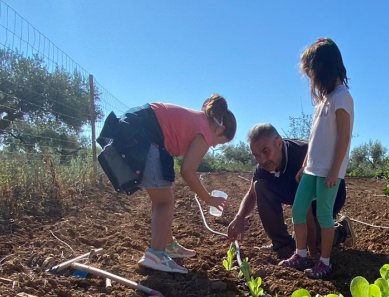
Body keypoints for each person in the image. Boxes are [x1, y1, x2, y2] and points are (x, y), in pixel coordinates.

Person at [97, 95, 235, 274]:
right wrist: (208, 198)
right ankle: (156, 255)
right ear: (220, 129)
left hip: (136, 130)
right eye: (220, 142)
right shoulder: (205, 133)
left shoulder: (198, 120)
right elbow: (187, 171)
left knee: (163, 193)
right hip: (144, 138)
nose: (214, 146)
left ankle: (167, 245)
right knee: (165, 202)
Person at [278, 38, 353, 279]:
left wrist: (335, 171)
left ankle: (325, 261)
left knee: (323, 215)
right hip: (312, 168)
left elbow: (343, 138)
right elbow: (315, 138)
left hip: (329, 171)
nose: (311, 80)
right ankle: (301, 254)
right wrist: (303, 165)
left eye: (312, 73)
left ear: (324, 68)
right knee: (298, 210)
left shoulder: (342, 97)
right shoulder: (323, 102)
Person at [226, 124, 354, 258]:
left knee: (315, 243)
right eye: (256, 155)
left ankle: (343, 229)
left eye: (266, 151)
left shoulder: (303, 157)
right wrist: (239, 217)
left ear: (279, 143)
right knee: (260, 186)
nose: (262, 160)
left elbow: (307, 213)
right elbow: (252, 193)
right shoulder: (263, 167)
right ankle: (282, 244)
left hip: (327, 195)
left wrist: (311, 254)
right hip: (299, 199)